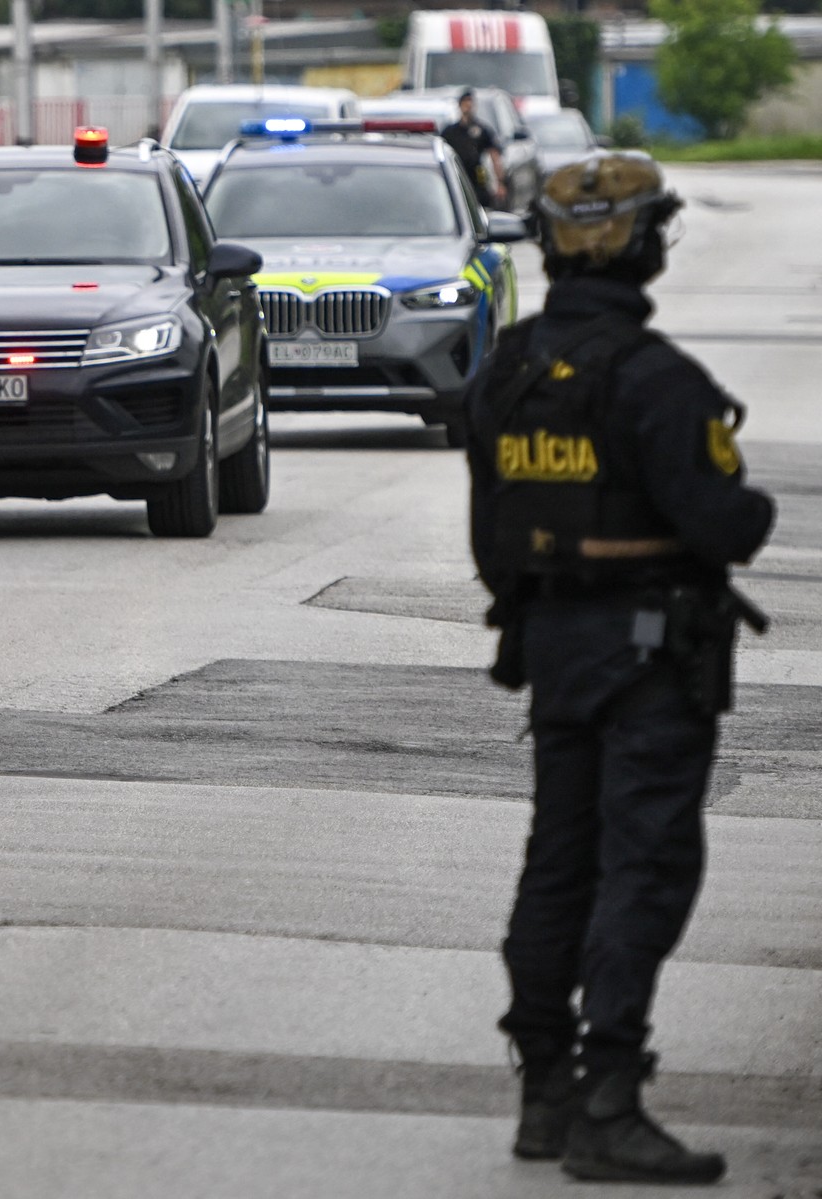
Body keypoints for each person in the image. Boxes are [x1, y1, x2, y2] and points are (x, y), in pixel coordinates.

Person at [467, 153, 775, 1185]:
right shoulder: (657, 381)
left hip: (553, 653)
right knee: (643, 865)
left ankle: (544, 1092)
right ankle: (610, 1098)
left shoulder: (505, 370)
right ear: (644, 244)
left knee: (558, 860)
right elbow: (727, 523)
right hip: (651, 663)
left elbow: (492, 535)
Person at [441, 88, 506, 209]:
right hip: (455, 174)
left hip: (477, 177)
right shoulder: (450, 132)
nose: (468, 106)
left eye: (471, 102)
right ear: (460, 105)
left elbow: (494, 155)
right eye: (465, 102)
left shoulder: (482, 130)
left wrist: (499, 183)